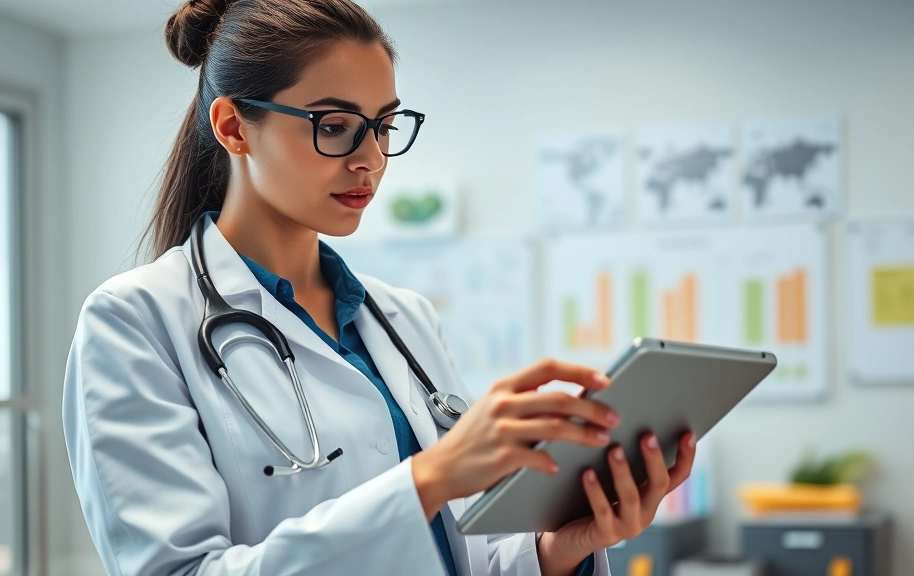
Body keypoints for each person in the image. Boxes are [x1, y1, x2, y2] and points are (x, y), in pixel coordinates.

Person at [61, 0, 697, 574]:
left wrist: (555, 553)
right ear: (231, 127)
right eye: (335, 125)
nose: (371, 158)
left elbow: (459, 550)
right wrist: (428, 478)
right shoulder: (135, 321)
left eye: (385, 124)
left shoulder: (404, 318)